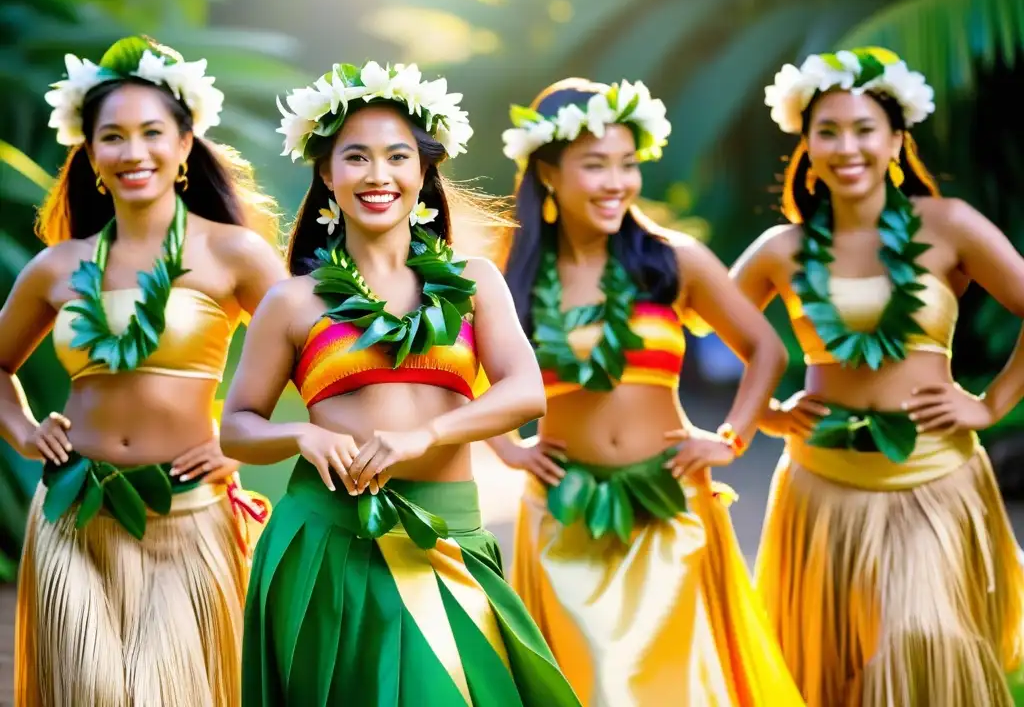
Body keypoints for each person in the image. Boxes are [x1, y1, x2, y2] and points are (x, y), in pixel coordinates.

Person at [219, 60, 581, 706]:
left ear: (422, 173)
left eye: (397, 156)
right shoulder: (292, 301)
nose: (378, 175)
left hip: (448, 538)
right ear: (327, 174)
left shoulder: (473, 281)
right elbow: (238, 427)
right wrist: (301, 432)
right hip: (328, 542)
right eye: (355, 157)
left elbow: (525, 392)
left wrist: (425, 435)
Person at [489, 77, 804, 706]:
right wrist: (509, 449)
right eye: (595, 165)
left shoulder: (671, 260)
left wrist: (731, 437)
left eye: (627, 164)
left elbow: (763, 348)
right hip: (563, 510)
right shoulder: (514, 275)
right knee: (594, 683)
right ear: (548, 173)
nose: (616, 182)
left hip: (671, 500)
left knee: (676, 684)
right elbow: (467, 375)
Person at [732, 46, 1024, 706]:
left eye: (865, 129)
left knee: (922, 636)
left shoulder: (947, 226)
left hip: (934, 477)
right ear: (806, 143)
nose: (847, 147)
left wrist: (992, 403)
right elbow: (692, 322)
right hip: (822, 488)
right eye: (827, 131)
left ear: (896, 140)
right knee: (836, 669)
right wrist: (766, 414)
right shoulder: (784, 250)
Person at [0, 35, 286, 706]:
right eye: (113, 137)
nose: (134, 153)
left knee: (172, 693)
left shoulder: (234, 255)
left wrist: (238, 434)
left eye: (152, 132)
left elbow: (318, 362)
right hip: (73, 513)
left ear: (186, 145)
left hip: (187, 511)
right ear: (91, 154)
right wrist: (21, 428)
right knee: (89, 692)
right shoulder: (58, 267)